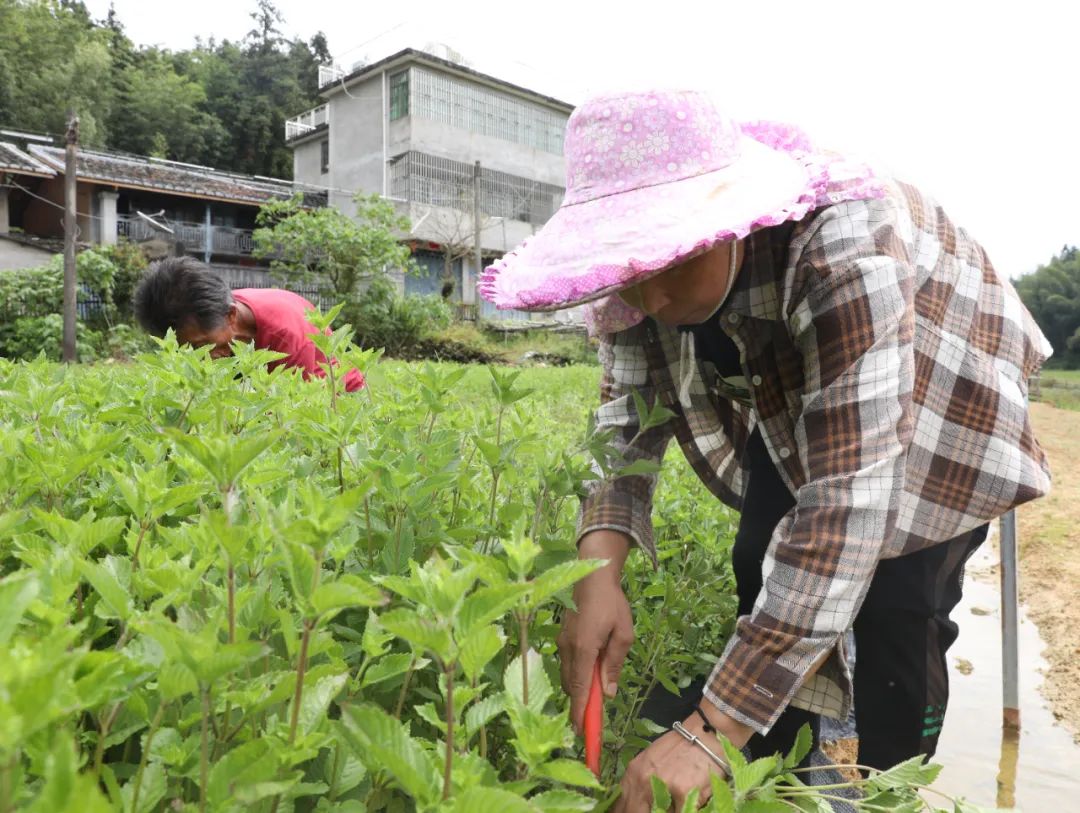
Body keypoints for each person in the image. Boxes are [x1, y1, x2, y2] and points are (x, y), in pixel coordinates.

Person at [480, 89, 1051, 811]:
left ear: (729, 218)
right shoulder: (634, 285)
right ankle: (770, 754)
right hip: (793, 384)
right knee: (762, 559)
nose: (649, 295)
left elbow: (848, 504)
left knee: (896, 608)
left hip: (943, 381)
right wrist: (597, 573)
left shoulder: (844, 244)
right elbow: (623, 426)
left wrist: (709, 727)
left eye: (671, 257)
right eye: (632, 266)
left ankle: (877, 782)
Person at [133, 257, 365, 392]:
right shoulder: (212, 309)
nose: (204, 357)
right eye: (190, 350)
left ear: (231, 316)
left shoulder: (286, 332)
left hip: (339, 398)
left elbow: (297, 410)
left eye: (203, 344)